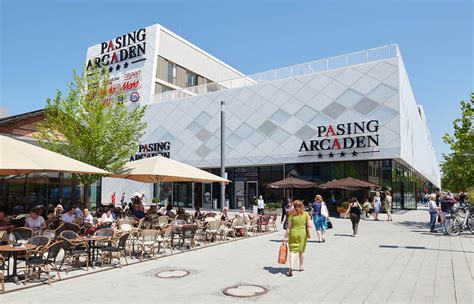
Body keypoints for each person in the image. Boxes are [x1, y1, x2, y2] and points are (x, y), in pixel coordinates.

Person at [283, 200, 311, 277]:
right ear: (302, 206)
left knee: (292, 251)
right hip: (302, 234)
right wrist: (309, 234)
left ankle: (291, 267)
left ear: (293, 206)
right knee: (301, 251)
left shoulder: (291, 214)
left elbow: (288, 228)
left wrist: (285, 237)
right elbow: (309, 225)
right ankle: (301, 266)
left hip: (293, 233)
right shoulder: (305, 214)